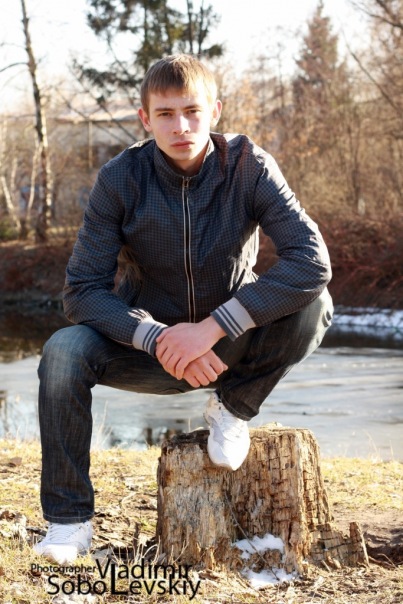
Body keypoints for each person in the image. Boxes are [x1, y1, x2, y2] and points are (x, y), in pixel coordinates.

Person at [34, 54, 333, 564]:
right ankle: (68, 522)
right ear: (145, 119)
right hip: (145, 347)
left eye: (192, 111)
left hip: (230, 345)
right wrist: (156, 336)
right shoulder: (120, 179)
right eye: (166, 114)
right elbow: (81, 289)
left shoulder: (249, 166)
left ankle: (233, 407)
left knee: (316, 304)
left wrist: (213, 327)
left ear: (214, 111)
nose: (181, 126)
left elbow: (312, 262)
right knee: (63, 352)